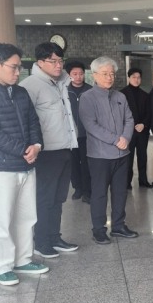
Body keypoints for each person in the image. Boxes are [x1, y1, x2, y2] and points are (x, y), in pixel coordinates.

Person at [0, 43, 48, 286]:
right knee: (2, 220)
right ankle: (1, 267)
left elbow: (34, 122)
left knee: (26, 216)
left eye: (20, 67)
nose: (17, 71)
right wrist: (23, 149)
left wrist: (36, 146)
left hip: (26, 166)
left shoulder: (20, 93)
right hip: (2, 169)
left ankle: (22, 259)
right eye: (13, 67)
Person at [22, 42, 79, 258]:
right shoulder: (31, 85)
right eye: (52, 61)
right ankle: (41, 241)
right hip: (45, 152)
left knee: (59, 198)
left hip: (65, 148)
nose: (58, 65)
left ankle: (55, 237)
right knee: (45, 198)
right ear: (39, 62)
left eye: (60, 60)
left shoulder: (61, 83)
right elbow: (27, 121)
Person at [79, 57, 138, 244]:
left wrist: (126, 138)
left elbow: (129, 119)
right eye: (105, 74)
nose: (109, 77)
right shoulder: (88, 98)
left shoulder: (120, 96)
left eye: (112, 73)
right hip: (100, 156)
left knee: (120, 192)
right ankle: (99, 229)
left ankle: (119, 226)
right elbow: (91, 125)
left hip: (122, 154)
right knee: (99, 193)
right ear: (94, 75)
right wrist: (116, 140)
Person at [64, 59, 92, 203]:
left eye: (81, 73)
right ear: (69, 75)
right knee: (73, 165)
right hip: (70, 135)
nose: (78, 76)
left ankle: (88, 191)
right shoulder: (64, 91)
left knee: (87, 163)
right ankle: (78, 188)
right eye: (75, 74)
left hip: (87, 135)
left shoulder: (90, 90)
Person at [121, 67, 152, 188]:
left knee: (142, 157)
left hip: (142, 131)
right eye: (134, 77)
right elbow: (120, 114)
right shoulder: (122, 94)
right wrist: (131, 125)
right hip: (128, 132)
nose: (136, 79)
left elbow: (149, 113)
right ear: (129, 78)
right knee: (128, 158)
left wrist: (143, 124)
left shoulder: (145, 95)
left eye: (139, 77)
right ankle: (127, 182)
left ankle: (143, 181)